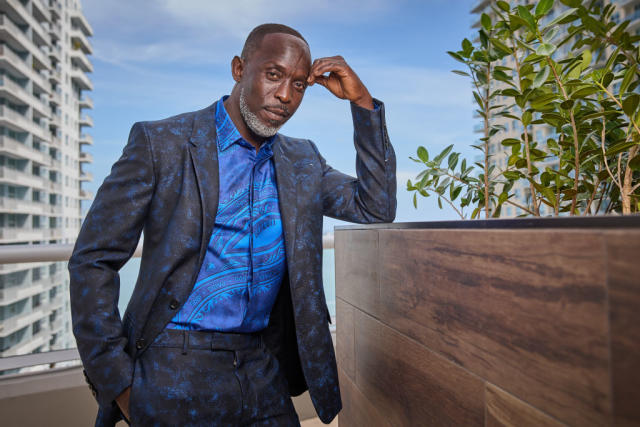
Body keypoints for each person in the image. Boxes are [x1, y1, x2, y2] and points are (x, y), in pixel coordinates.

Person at [69, 23, 396, 426]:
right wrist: (120, 385)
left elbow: (375, 205)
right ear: (239, 68)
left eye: (299, 85)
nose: (285, 96)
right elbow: (93, 261)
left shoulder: (303, 161)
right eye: (273, 75)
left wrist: (361, 103)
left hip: (262, 365)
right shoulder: (161, 143)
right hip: (173, 362)